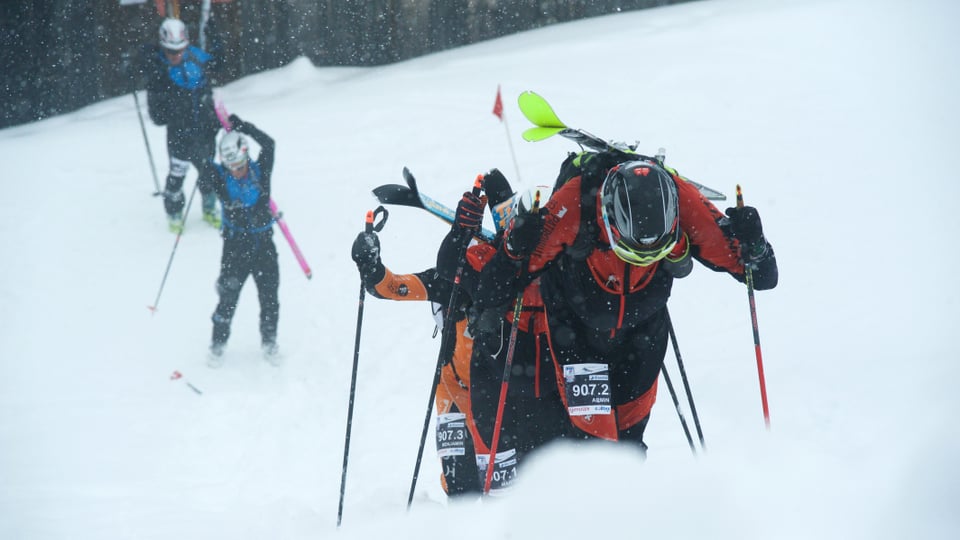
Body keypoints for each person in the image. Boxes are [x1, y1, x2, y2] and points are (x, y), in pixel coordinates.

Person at [471, 151, 779, 451]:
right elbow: (491, 290)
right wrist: (514, 248)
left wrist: (756, 244)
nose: (644, 261)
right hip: (576, 333)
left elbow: (762, 276)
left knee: (630, 450)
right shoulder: (576, 201)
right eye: (630, 252)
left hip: (642, 336)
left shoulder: (681, 198)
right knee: (597, 448)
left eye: (656, 255)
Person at [349, 172, 517, 497]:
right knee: (459, 486)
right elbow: (391, 287)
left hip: (500, 398)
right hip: (454, 392)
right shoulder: (448, 282)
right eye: (472, 258)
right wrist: (370, 265)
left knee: (501, 491)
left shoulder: (514, 285)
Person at [199, 114, 279, 367]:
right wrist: (210, 133)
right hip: (235, 249)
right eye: (231, 166)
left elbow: (269, 144)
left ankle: (269, 343)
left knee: (269, 298)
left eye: (240, 165)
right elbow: (201, 161)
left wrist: (245, 126)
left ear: (245, 155)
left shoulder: (261, 171)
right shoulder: (220, 177)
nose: (237, 170)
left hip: (264, 245)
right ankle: (217, 347)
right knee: (228, 299)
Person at [145, 17, 222, 233]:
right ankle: (175, 213)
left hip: (205, 130)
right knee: (177, 175)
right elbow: (157, 117)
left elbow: (219, 63)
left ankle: (209, 209)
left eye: (180, 50)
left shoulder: (197, 58)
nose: (176, 55)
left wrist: (216, 38)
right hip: (179, 134)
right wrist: (171, 103)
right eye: (170, 51)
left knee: (208, 172)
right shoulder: (158, 70)